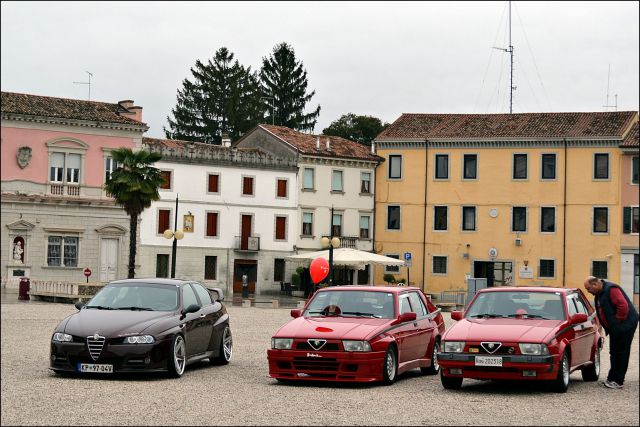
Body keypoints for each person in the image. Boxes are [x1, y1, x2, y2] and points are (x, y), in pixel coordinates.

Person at [584, 276, 639, 389]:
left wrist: (616, 322)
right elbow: (600, 309)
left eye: (589, 288)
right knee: (614, 352)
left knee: (621, 352)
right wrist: (591, 319)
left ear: (595, 284)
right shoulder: (600, 293)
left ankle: (618, 381)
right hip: (616, 327)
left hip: (625, 326)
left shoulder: (611, 289)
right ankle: (612, 378)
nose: (588, 291)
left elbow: (623, 306)